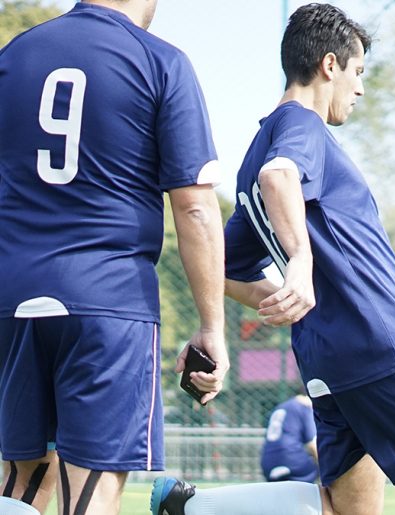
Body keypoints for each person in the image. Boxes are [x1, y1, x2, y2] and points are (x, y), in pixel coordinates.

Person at [150, 3, 395, 515]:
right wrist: (299, 263)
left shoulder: (257, 146)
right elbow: (281, 176)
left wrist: (292, 296)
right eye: (358, 72)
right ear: (330, 65)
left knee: (345, 506)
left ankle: (192, 505)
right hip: (380, 345)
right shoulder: (302, 126)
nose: (360, 88)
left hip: (328, 357)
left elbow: (222, 265)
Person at [0, 1, 228, 513]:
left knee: (21, 482)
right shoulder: (158, 60)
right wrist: (212, 326)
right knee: (90, 490)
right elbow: (194, 207)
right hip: (107, 301)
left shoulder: (13, 56)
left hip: (12, 299)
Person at [260, 391, 318, 483]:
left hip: (268, 465)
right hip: (292, 463)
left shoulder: (282, 406)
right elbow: (312, 445)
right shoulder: (305, 407)